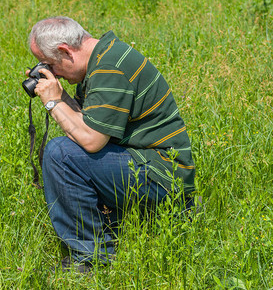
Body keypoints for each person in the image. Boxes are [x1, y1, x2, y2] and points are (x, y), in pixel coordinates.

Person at [27, 16, 195, 272]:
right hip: (148, 162)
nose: (53, 71)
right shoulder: (102, 59)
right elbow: (88, 123)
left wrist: (53, 103)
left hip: (164, 176)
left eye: (50, 64)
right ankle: (116, 223)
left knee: (60, 153)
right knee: (67, 151)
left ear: (64, 50)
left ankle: (90, 257)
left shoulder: (110, 69)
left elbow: (92, 141)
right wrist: (61, 97)